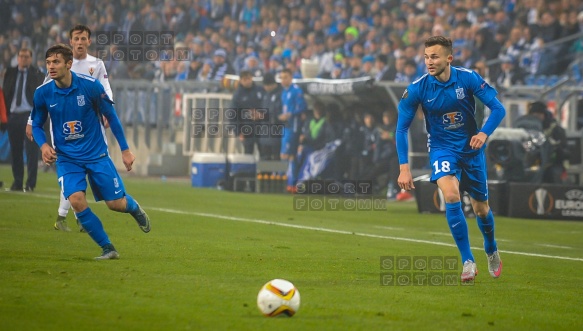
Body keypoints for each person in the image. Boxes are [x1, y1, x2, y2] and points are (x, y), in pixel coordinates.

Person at [396, 36, 506, 282]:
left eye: (434, 56)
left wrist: (483, 133)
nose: (429, 62)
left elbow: (499, 109)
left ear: (449, 58)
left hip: (471, 150)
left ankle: (491, 248)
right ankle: (467, 261)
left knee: (481, 210)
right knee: (452, 195)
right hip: (442, 149)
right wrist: (404, 168)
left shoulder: (468, 78)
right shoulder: (417, 88)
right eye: (425, 57)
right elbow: (401, 129)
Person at [31, 44, 151, 260]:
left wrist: (125, 150)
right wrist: (43, 145)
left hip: (96, 154)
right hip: (67, 158)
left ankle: (133, 208)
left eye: (56, 62)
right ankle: (108, 248)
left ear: (69, 64)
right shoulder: (43, 93)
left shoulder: (91, 86)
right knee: (76, 200)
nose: (51, 66)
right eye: (48, 62)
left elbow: (111, 117)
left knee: (115, 204)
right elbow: (37, 125)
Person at [26, 24, 114, 233]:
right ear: (71, 41)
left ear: (89, 41)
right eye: (77, 38)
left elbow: (106, 89)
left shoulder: (97, 64)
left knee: (81, 173)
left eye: (84, 38)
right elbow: (44, 94)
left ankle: (71, 215)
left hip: (91, 125)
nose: (80, 42)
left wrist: (108, 110)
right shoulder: (60, 63)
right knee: (71, 171)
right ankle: (66, 215)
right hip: (64, 127)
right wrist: (32, 121)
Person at [2, 48, 45, 192]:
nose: (23, 59)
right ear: (17, 58)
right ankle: (18, 182)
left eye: (26, 57)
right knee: (16, 151)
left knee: (31, 151)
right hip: (13, 116)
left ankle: (30, 183)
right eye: (21, 56)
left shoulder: (37, 74)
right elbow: (6, 93)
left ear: (31, 58)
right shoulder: (10, 72)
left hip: (30, 116)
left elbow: (40, 97)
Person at [278, 68, 307, 192]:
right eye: (281, 78)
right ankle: (289, 183)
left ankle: (291, 183)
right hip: (285, 126)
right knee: (288, 155)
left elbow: (303, 107)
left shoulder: (296, 91)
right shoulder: (284, 92)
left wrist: (290, 114)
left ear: (291, 78)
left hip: (293, 126)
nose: (283, 80)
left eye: (285, 77)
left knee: (288, 155)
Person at [528, 101, 569, 184]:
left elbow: (564, 151)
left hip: (552, 164)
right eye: (533, 116)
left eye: (538, 115)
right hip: (531, 163)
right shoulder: (527, 128)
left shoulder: (555, 129)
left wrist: (554, 149)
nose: (536, 118)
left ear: (544, 115)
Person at [230, 70, 263, 155]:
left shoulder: (260, 90)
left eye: (249, 78)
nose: (247, 81)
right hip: (246, 130)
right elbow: (233, 114)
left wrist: (261, 115)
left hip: (261, 128)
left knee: (264, 154)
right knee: (248, 154)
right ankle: (248, 169)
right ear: (241, 80)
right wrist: (238, 132)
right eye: (245, 79)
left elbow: (267, 107)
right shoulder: (238, 95)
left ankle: (265, 168)